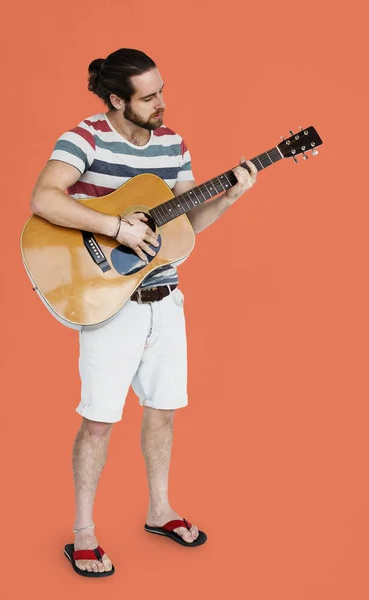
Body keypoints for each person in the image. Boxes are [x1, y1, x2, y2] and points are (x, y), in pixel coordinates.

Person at [30, 48, 258, 578]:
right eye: (149, 96)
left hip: (166, 301)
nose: (162, 103)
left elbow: (185, 225)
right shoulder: (85, 138)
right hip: (109, 304)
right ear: (116, 100)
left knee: (162, 409)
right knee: (98, 422)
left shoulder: (173, 144)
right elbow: (44, 198)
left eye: (162, 91)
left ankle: (160, 511)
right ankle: (83, 533)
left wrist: (229, 197)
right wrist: (116, 227)